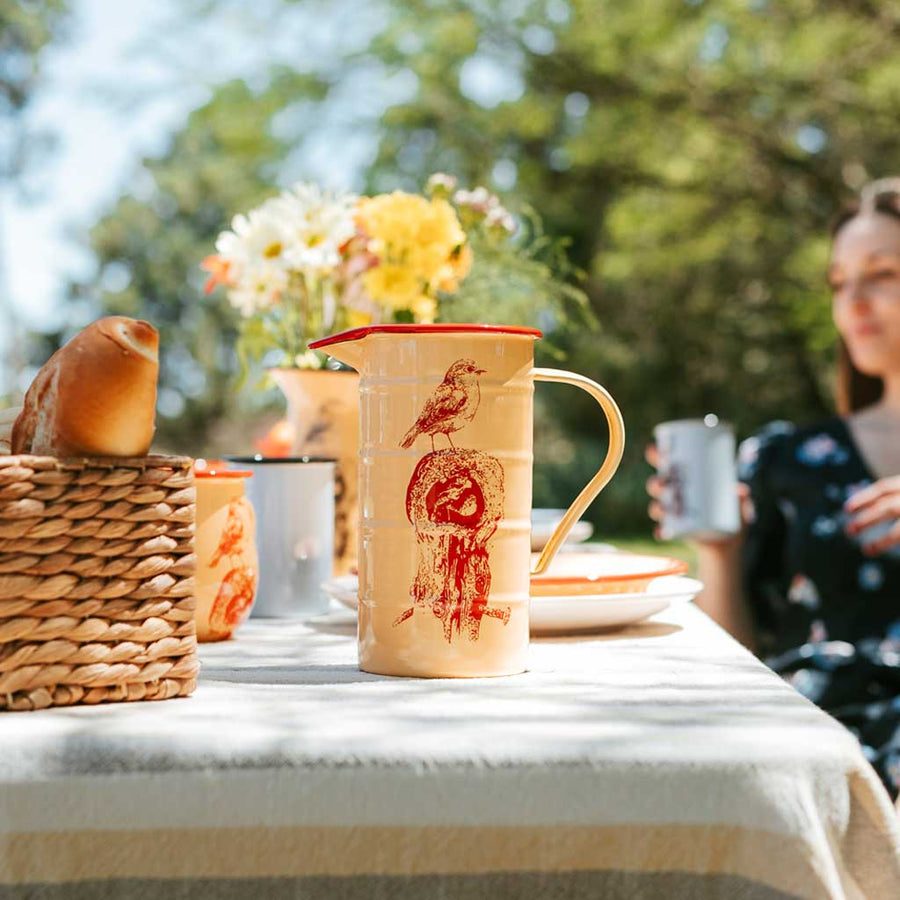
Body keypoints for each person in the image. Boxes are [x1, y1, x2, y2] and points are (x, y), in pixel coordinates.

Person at [647, 180, 900, 800]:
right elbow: (736, 667)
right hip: (805, 735)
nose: (855, 302)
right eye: (839, 283)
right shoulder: (786, 459)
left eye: (883, 273)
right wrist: (721, 552)